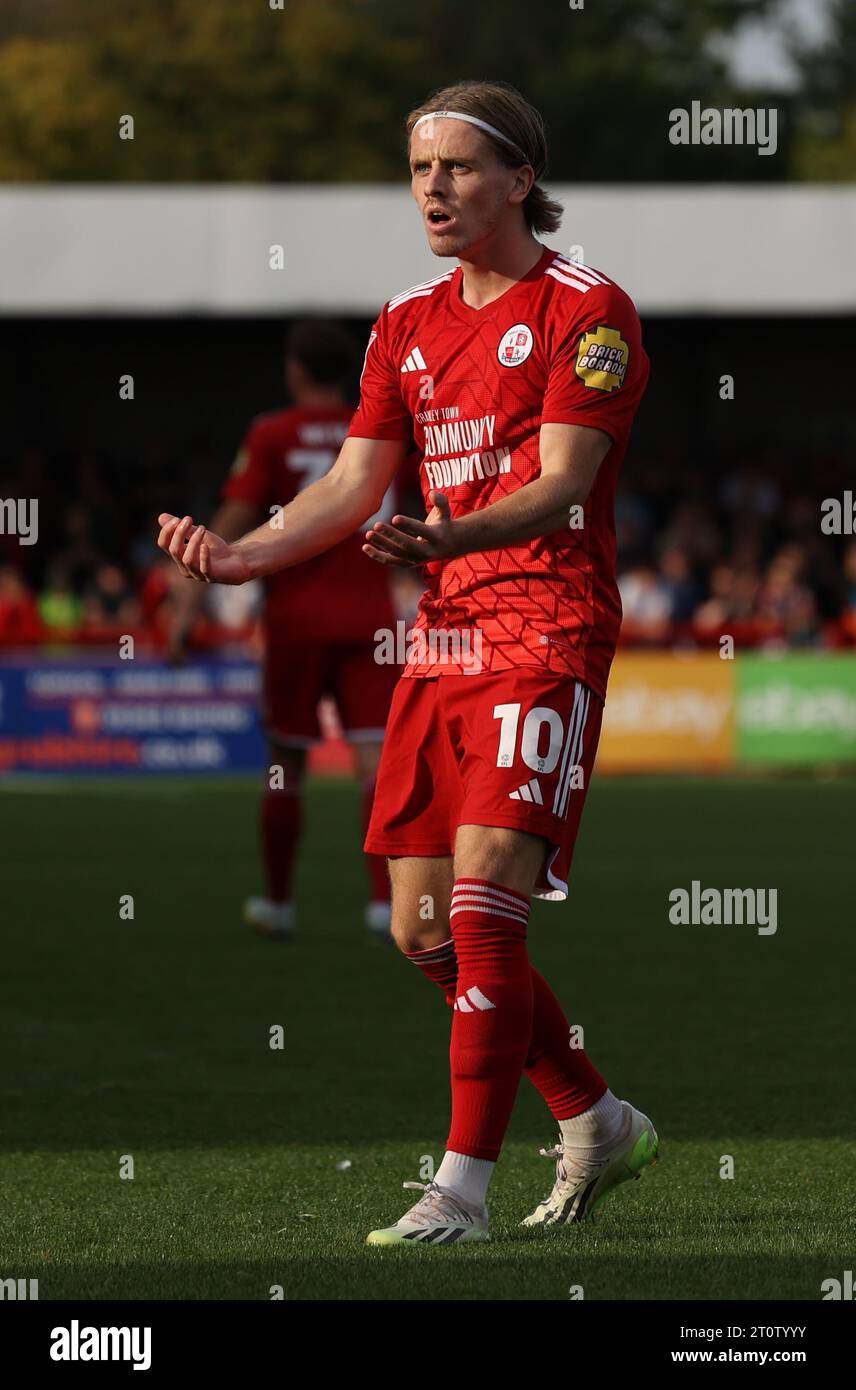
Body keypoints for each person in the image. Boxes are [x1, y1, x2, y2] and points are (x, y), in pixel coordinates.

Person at [157, 79, 656, 1245]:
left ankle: (461, 1190)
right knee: (420, 926)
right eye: (420, 167)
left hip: (545, 624)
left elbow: (563, 482)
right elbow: (347, 486)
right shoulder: (405, 322)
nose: (433, 186)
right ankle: (596, 1117)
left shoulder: (590, 308)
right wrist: (240, 559)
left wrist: (450, 535)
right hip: (444, 633)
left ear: (520, 179)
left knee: (485, 901)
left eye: (460, 166)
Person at [168, 320, 399, 939]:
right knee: (376, 764)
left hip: (296, 623)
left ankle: (279, 904)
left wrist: (185, 613)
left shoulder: (271, 434)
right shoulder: (382, 430)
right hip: (374, 620)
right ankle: (385, 904)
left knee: (285, 765)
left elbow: (232, 519)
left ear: (296, 369)